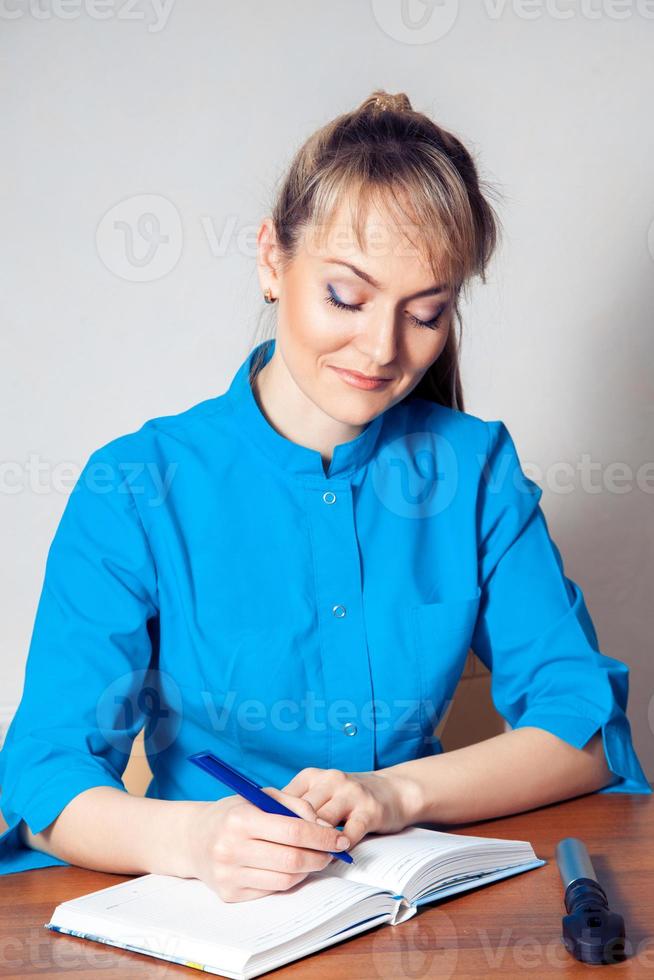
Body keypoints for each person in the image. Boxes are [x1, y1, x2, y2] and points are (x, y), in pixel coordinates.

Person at [0, 90, 649, 901]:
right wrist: (199, 840)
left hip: (412, 905)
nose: (382, 349)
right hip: (208, 914)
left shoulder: (475, 468)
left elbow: (581, 732)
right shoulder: (137, 484)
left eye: (426, 313)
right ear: (273, 259)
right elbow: (43, 777)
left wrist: (393, 794)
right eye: (347, 296)